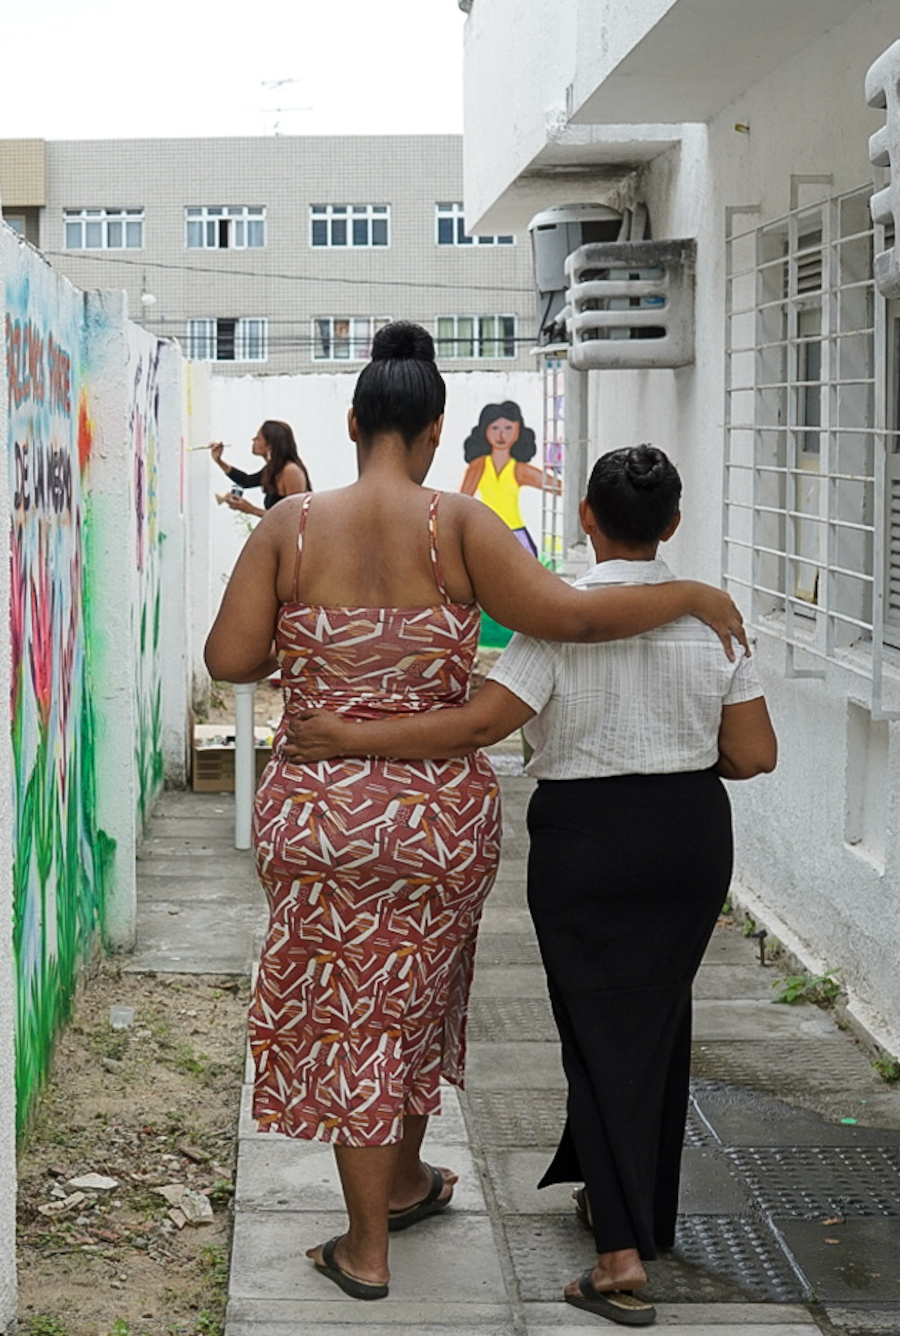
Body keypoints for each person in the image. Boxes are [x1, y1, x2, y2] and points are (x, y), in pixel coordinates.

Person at [201, 323, 747, 1305]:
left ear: (353, 422)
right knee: (411, 994)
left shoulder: (286, 526)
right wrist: (691, 596)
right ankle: (397, 1189)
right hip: (434, 819)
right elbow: (573, 617)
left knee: (347, 1012)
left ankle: (368, 1239)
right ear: (434, 429)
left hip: (318, 808)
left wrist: (323, 653)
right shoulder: (455, 523)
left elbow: (229, 658)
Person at [459, 401, 558, 557]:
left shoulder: (519, 469)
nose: (501, 435)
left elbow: (558, 487)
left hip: (516, 535)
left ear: (518, 431)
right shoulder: (478, 466)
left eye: (508, 428)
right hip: (486, 534)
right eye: (495, 428)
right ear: (485, 431)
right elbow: (462, 501)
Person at [211, 420, 308, 517]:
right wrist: (219, 460)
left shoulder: (290, 471)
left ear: (269, 446)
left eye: (258, 438)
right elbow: (246, 481)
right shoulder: (273, 469)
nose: (253, 439)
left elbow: (295, 517)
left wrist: (251, 509)